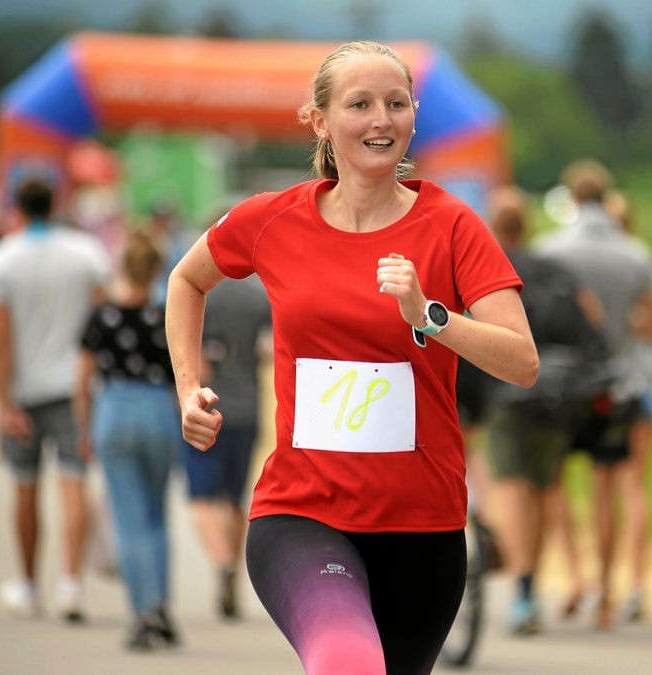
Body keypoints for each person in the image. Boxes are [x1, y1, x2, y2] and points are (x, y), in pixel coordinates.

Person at [166, 41, 538, 675]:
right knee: (348, 663)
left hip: (423, 527)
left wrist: (431, 316)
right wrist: (188, 388)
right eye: (359, 104)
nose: (380, 120)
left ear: (415, 116)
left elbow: (522, 361)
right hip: (302, 512)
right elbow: (186, 280)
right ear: (319, 120)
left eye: (396, 104)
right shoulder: (271, 221)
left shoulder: (452, 226)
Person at [538, 159, 652, 629]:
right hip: (617, 383)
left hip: (564, 383)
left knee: (554, 482)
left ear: (571, 196)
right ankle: (608, 597)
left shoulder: (550, 251)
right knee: (609, 488)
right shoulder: (636, 254)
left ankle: (574, 576)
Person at [0, 179, 111, 622]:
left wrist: (4, 400)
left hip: (24, 391)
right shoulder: (86, 254)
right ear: (56, 204)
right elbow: (102, 316)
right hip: (75, 389)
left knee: (25, 487)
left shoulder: (0, 260)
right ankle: (71, 584)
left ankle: (28, 584)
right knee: (73, 483)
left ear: (16, 208)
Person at [480, 185, 606, 636]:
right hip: (559, 397)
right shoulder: (556, 270)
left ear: (493, 227)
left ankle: (518, 583)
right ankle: (530, 588)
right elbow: (595, 328)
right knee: (545, 487)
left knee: (512, 486)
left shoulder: (484, 268)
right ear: (527, 226)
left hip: (507, 395)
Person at [75, 230, 180, 650]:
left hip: (115, 408)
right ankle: (162, 606)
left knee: (129, 517)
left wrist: (84, 429)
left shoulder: (102, 316)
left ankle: (142, 612)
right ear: (156, 269)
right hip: (159, 409)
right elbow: (192, 373)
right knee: (157, 514)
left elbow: (81, 378)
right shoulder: (166, 314)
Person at [186, 272, 272, 621]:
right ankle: (233, 569)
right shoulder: (258, 297)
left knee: (202, 497)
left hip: (207, 405)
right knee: (235, 499)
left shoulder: (202, 290)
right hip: (247, 406)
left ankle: (222, 563)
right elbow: (267, 349)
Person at [604, 190, 652, 623]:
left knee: (607, 487)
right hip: (644, 389)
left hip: (613, 389)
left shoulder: (615, 262)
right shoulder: (643, 262)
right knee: (634, 488)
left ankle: (606, 588)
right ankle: (637, 587)